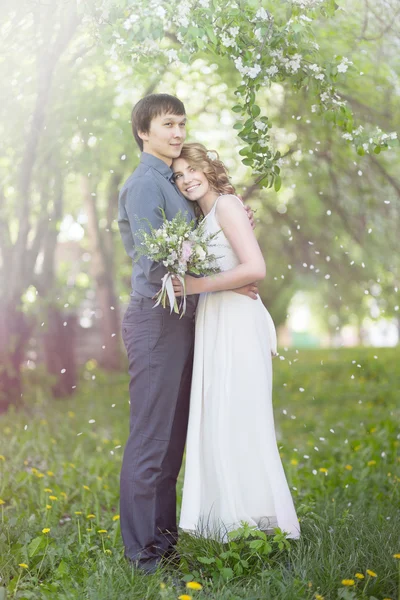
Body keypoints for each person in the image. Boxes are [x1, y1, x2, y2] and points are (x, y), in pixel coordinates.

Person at [117, 94, 257, 573]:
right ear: (143, 131)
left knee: (172, 442)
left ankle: (164, 544)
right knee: (151, 441)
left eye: (181, 124)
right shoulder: (143, 185)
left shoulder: (176, 181)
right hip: (156, 319)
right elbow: (157, 265)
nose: (177, 133)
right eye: (167, 124)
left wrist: (230, 230)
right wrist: (215, 278)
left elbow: (199, 239)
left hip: (183, 319)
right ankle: (142, 556)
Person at [172, 143, 300, 541]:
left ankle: (259, 516)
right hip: (217, 318)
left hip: (238, 319)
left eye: (191, 169)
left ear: (209, 168)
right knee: (221, 414)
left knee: (241, 412)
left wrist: (195, 285)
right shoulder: (206, 216)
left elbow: (255, 268)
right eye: (178, 176)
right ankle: (229, 516)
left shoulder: (227, 205)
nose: (186, 179)